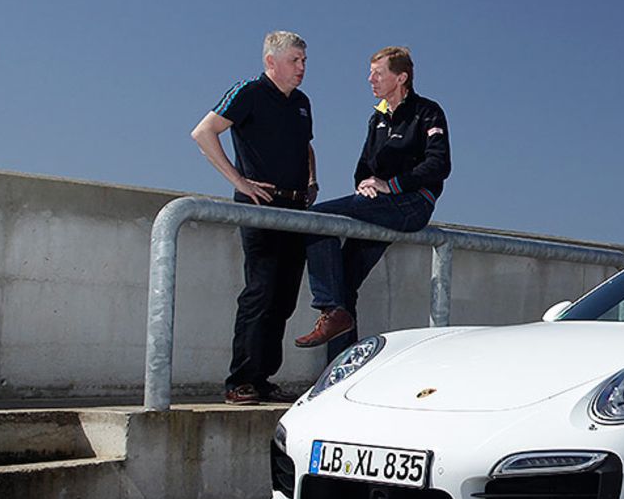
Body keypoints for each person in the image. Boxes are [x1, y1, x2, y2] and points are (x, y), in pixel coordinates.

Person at [294, 46, 450, 350]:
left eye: (378, 73)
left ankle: (329, 308)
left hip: (411, 205)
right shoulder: (376, 118)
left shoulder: (427, 111)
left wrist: (390, 185)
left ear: (401, 77)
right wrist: (364, 187)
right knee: (345, 284)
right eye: (370, 72)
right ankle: (341, 374)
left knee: (315, 219)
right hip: (377, 207)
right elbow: (365, 167)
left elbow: (439, 165)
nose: (370, 79)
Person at [191, 31, 317, 405]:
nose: (301, 68)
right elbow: (203, 132)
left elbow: (306, 145)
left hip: (297, 210)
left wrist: (311, 180)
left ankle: (262, 379)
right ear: (271, 62)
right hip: (261, 207)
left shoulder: (303, 102)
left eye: (304, 61)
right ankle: (240, 380)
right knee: (260, 292)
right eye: (295, 60)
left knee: (284, 297)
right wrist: (240, 181)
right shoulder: (248, 91)